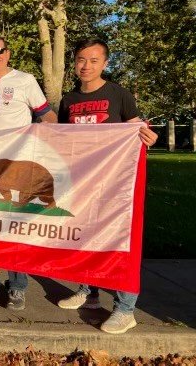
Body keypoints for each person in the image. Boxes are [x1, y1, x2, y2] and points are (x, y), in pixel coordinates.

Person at [57, 38, 157, 334]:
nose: (86, 66)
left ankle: (126, 309)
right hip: (83, 182)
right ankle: (88, 292)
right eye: (80, 60)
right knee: (86, 238)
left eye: (93, 60)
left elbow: (138, 128)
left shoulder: (118, 94)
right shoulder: (68, 100)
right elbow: (63, 139)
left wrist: (148, 138)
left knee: (117, 242)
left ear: (105, 63)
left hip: (115, 183)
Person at [0, 35, 57, 310]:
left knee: (16, 227)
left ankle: (17, 286)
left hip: (19, 164)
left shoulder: (25, 80)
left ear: (8, 53)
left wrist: (65, 140)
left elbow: (46, 115)